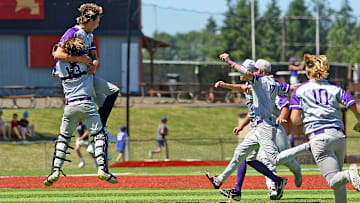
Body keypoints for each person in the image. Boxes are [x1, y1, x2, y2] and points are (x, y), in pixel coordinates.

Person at [205, 54, 310, 200]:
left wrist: (229, 61)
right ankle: (219, 180)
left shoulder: (259, 81)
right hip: (259, 126)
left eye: (256, 69)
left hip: (266, 125)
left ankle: (305, 148)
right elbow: (292, 87)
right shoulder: (274, 83)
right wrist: (312, 84)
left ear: (260, 71)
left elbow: (246, 75)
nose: (254, 71)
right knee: (240, 153)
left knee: (274, 159)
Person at [43, 37, 118, 186]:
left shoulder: (59, 65)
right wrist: (89, 61)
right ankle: (102, 169)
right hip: (86, 102)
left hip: (70, 105)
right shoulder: (86, 60)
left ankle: (55, 170)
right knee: (99, 135)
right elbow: (94, 65)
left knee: (63, 138)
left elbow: (54, 73)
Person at [290, 54, 360, 203]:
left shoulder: (300, 90)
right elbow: (355, 108)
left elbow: (295, 120)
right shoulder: (335, 88)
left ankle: (349, 173)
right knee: (338, 181)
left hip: (319, 138)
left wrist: (309, 116)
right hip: (339, 137)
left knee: (333, 180)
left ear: (307, 70)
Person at [52, 3, 120, 137]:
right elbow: (57, 55)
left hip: (87, 77)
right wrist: (81, 59)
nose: (98, 25)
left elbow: (95, 56)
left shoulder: (90, 35)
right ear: (90, 20)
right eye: (97, 21)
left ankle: (100, 132)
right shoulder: (73, 32)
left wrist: (94, 64)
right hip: (77, 79)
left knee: (111, 94)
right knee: (102, 99)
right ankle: (99, 133)